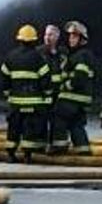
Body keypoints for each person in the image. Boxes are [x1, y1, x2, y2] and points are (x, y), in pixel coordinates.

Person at [0, 23, 48, 161]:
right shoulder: (38, 58)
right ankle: (27, 155)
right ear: (34, 40)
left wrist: (7, 92)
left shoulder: (10, 56)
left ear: (19, 39)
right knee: (30, 128)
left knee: (14, 127)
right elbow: (45, 79)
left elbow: (4, 76)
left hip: (15, 101)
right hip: (34, 101)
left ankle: (11, 153)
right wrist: (47, 93)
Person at [52, 20, 98, 155]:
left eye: (74, 36)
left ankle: (59, 148)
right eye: (70, 36)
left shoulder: (81, 55)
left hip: (71, 97)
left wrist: (65, 85)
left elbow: (80, 76)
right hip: (80, 100)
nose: (71, 39)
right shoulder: (82, 54)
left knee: (58, 118)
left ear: (82, 40)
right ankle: (83, 149)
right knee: (75, 124)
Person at [39, 22, 65, 152]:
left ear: (57, 37)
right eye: (45, 34)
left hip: (58, 94)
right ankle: (42, 145)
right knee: (41, 120)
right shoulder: (39, 52)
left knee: (58, 120)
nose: (47, 37)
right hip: (43, 93)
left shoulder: (63, 53)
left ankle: (57, 145)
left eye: (50, 34)